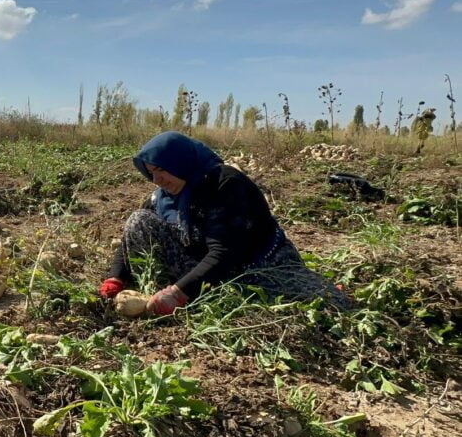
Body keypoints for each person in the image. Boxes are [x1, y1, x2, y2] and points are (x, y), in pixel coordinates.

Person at [100, 131, 350, 314]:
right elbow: (129, 239)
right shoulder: (165, 195)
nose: (157, 179)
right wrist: (116, 277)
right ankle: (193, 287)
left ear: (179, 162)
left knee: (328, 303)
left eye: (161, 170)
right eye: (151, 173)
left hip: (253, 263)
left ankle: (319, 288)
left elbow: (225, 253)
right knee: (139, 220)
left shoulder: (226, 185)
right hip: (202, 259)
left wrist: (177, 293)